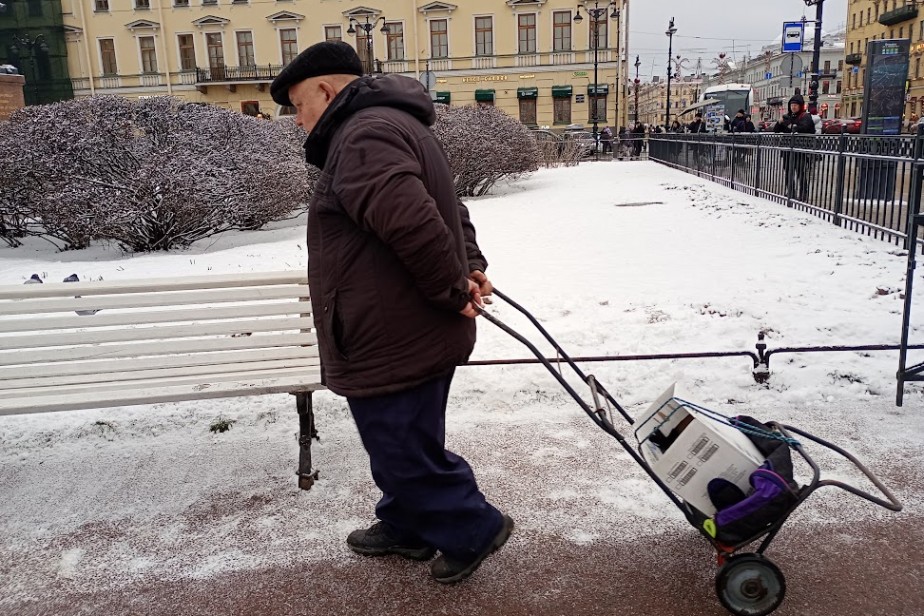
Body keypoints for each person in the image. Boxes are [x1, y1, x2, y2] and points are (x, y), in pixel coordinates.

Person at [270, 41, 513, 584]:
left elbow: (415, 222)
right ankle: (406, 523)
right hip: (407, 326)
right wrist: (469, 266)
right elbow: (450, 205)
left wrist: (456, 286)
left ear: (327, 91)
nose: (296, 121)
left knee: (402, 448)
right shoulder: (393, 125)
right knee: (404, 440)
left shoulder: (361, 136)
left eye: (298, 105)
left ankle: (473, 528)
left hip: (392, 331)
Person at [773, 94, 816, 201]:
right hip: (787, 148)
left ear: (800, 106)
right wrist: (779, 122)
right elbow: (776, 130)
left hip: (800, 149)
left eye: (796, 105)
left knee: (800, 172)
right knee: (788, 171)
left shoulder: (805, 116)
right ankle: (790, 191)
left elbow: (802, 128)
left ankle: (803, 194)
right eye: (792, 105)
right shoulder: (787, 116)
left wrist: (789, 125)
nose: (793, 107)